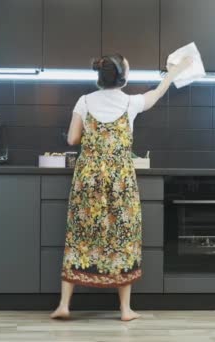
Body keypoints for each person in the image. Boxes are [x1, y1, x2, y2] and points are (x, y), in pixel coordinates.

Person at [50, 53, 193, 321]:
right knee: (123, 238)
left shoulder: (84, 101)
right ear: (123, 77)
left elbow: (72, 138)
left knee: (79, 237)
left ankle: (64, 305)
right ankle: (125, 309)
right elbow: (158, 92)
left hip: (88, 180)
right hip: (120, 181)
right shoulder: (131, 103)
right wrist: (174, 71)